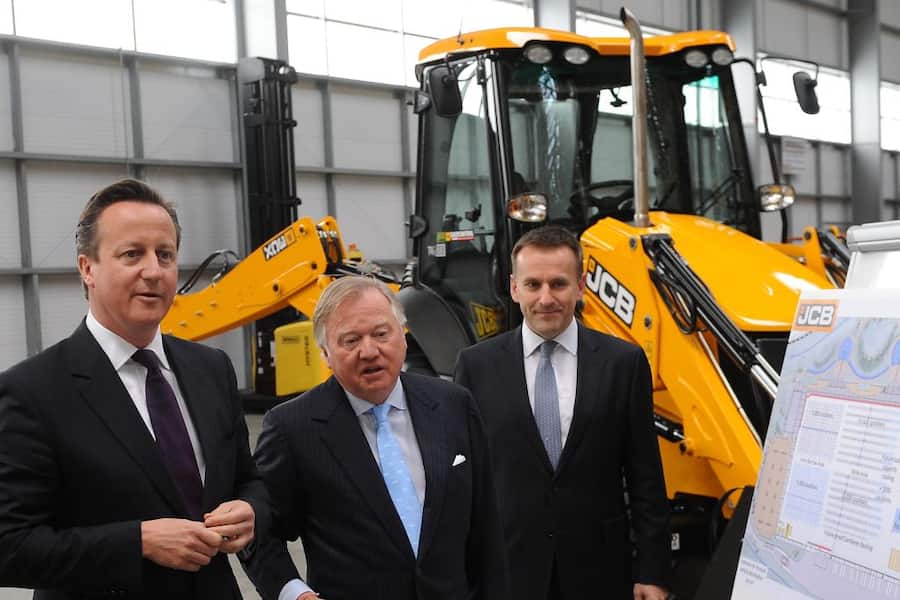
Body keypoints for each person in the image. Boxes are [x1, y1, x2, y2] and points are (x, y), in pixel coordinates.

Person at [0, 179, 268, 599]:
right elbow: (9, 546)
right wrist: (138, 542)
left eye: (165, 255)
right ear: (87, 268)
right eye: (131, 254)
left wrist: (251, 510)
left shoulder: (210, 369)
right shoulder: (32, 392)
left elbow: (248, 479)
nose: (153, 270)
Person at [241, 276, 507, 600]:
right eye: (350, 340)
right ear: (325, 353)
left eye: (381, 334)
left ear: (404, 336)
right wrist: (294, 593)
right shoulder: (292, 428)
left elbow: (486, 528)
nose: (369, 351)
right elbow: (258, 531)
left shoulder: (454, 405)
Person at [454, 225, 671, 600]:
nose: (546, 298)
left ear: (582, 285)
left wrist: (652, 572)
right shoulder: (475, 366)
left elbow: (645, 477)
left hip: (600, 572)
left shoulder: (623, 363)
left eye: (558, 283)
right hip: (508, 571)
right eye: (533, 284)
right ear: (514, 287)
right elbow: (461, 482)